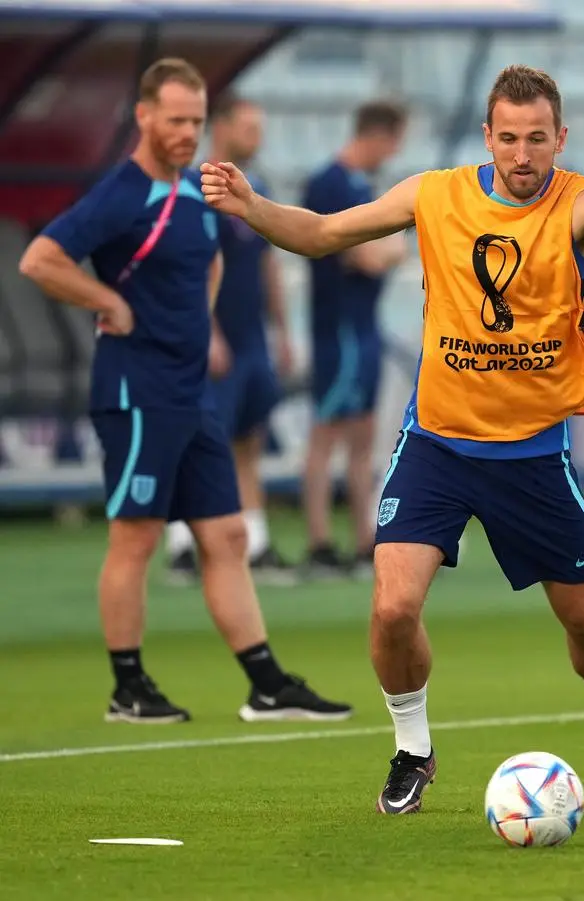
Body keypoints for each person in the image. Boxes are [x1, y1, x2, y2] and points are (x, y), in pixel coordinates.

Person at [202, 64, 584, 814]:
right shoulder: (435, 194)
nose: (523, 155)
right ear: (488, 138)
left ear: (561, 138)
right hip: (436, 442)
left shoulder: (583, 203)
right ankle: (412, 749)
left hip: (531, 452)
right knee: (393, 606)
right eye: (509, 138)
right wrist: (250, 206)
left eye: (538, 139)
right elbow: (325, 234)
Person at [19, 57, 352, 725]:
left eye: (196, 121)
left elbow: (214, 258)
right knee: (136, 537)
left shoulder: (200, 193)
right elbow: (41, 259)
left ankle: (267, 683)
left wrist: (204, 332)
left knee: (226, 535)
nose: (187, 132)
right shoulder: (120, 192)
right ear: (143, 117)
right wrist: (104, 296)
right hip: (137, 391)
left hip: (191, 391)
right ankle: (128, 687)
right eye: (175, 120)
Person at [165, 91, 297, 586]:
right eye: (249, 127)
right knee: (198, 439)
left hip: (251, 339)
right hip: (210, 340)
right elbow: (188, 267)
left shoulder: (253, 188)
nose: (257, 137)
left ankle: (256, 542)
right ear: (219, 128)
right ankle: (181, 546)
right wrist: (208, 331)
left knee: (248, 437)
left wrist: (282, 332)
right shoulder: (192, 188)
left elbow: (267, 265)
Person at [300, 101, 409, 580]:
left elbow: (390, 247)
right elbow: (364, 256)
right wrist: (384, 250)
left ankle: (366, 538)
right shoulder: (330, 184)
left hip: (364, 326)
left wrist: (383, 249)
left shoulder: (364, 187)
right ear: (379, 135)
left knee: (364, 436)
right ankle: (320, 542)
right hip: (339, 328)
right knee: (326, 436)